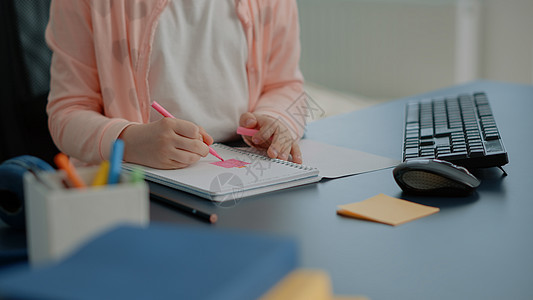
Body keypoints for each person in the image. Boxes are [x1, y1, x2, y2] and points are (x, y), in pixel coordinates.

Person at [45, 0, 307, 169]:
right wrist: (128, 141)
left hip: (243, 169)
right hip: (131, 180)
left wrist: (275, 120)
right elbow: (67, 112)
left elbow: (284, 85)